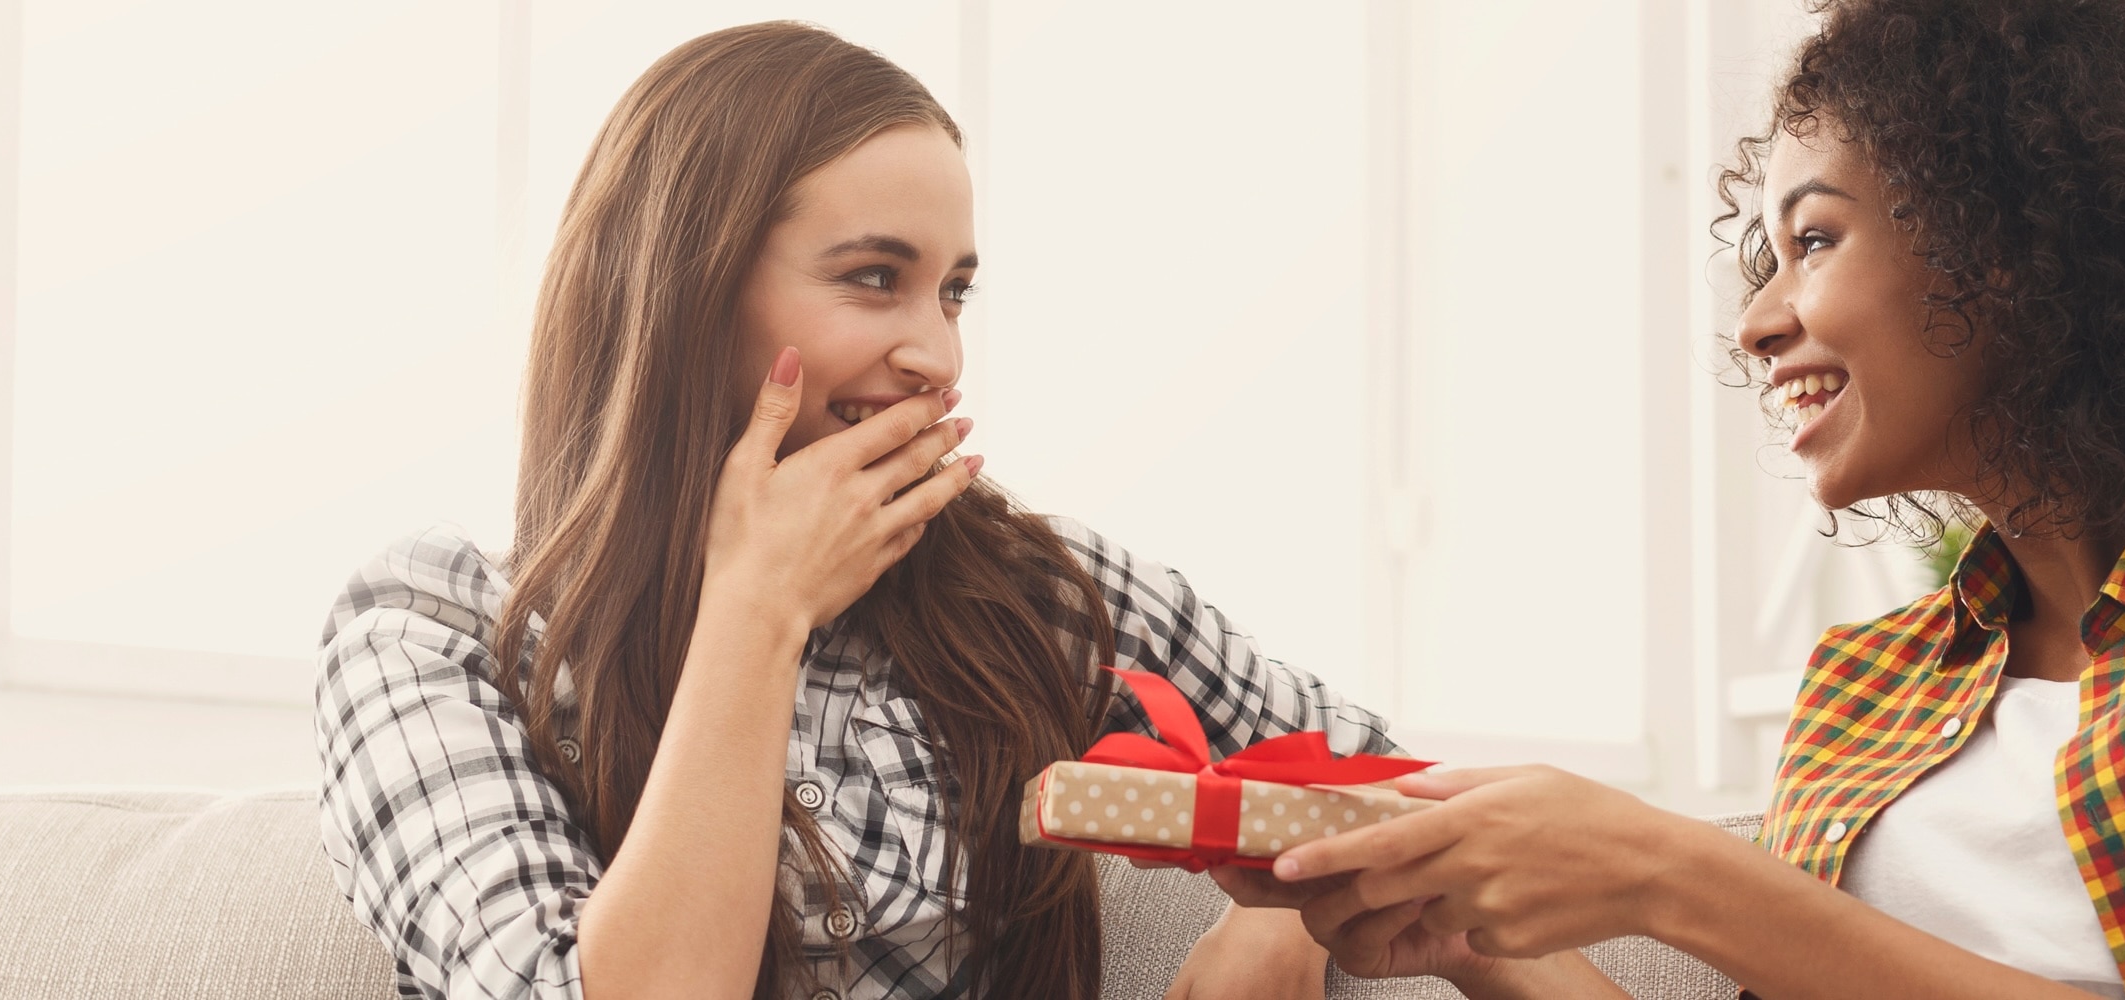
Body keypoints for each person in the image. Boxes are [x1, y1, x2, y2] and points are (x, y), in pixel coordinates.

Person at [1213, 0, 2125, 997]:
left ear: (2012, 243)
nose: (1757, 323)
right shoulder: (1867, 683)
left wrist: (1665, 870)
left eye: (1814, 238)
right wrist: (1477, 943)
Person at [312, 22, 1381, 1000]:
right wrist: (758, 607)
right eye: (874, 278)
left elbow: (1373, 779)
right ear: (687, 293)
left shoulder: (1030, 591)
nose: (939, 355)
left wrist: (1286, 918)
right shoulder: (433, 631)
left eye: (954, 292)